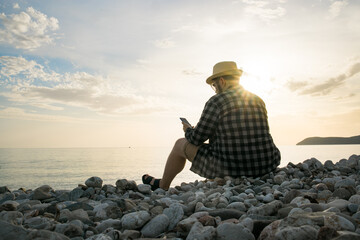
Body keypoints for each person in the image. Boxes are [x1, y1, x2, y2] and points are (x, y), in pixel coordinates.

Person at [142, 61, 280, 190]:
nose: (214, 89)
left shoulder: (216, 101)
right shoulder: (257, 100)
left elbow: (197, 139)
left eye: (214, 85)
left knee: (180, 144)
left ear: (222, 81)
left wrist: (188, 130)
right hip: (266, 164)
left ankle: (162, 185)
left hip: (232, 168)